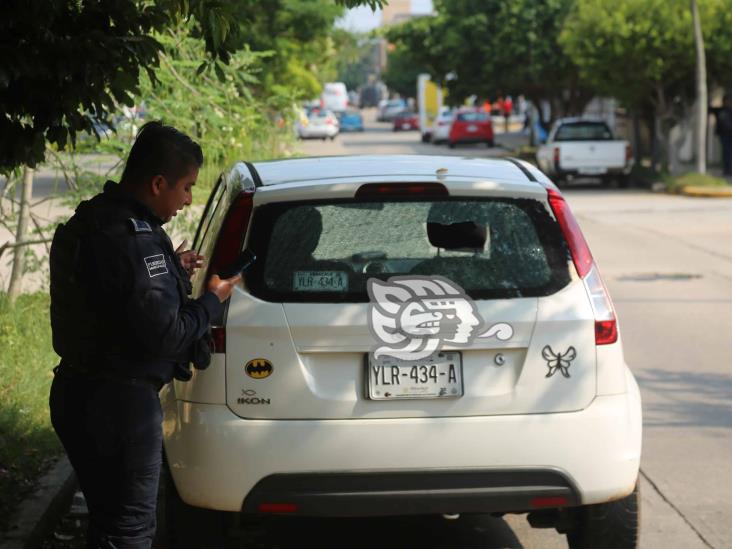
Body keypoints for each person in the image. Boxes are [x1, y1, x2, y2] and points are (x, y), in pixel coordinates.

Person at [48, 121, 241, 548]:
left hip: (78, 391)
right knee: (129, 530)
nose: (189, 199)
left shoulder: (97, 218)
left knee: (108, 522)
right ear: (158, 184)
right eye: (187, 187)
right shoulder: (136, 241)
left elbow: (112, 293)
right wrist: (212, 300)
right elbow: (168, 335)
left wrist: (170, 267)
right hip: (120, 406)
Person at [712, 94, 732, 176]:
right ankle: (727, 170)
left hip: (730, 134)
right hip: (724, 135)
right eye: (726, 100)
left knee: (729, 152)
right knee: (726, 152)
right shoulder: (720, 110)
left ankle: (729, 169)